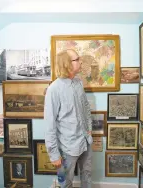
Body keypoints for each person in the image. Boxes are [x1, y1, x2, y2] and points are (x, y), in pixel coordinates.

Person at [44, 49, 93, 188]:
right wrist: (54, 154)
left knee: (87, 176)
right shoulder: (54, 89)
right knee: (65, 183)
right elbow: (49, 124)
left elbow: (86, 108)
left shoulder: (78, 83)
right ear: (67, 64)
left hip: (86, 141)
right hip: (67, 147)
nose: (80, 61)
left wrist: (89, 130)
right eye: (77, 59)